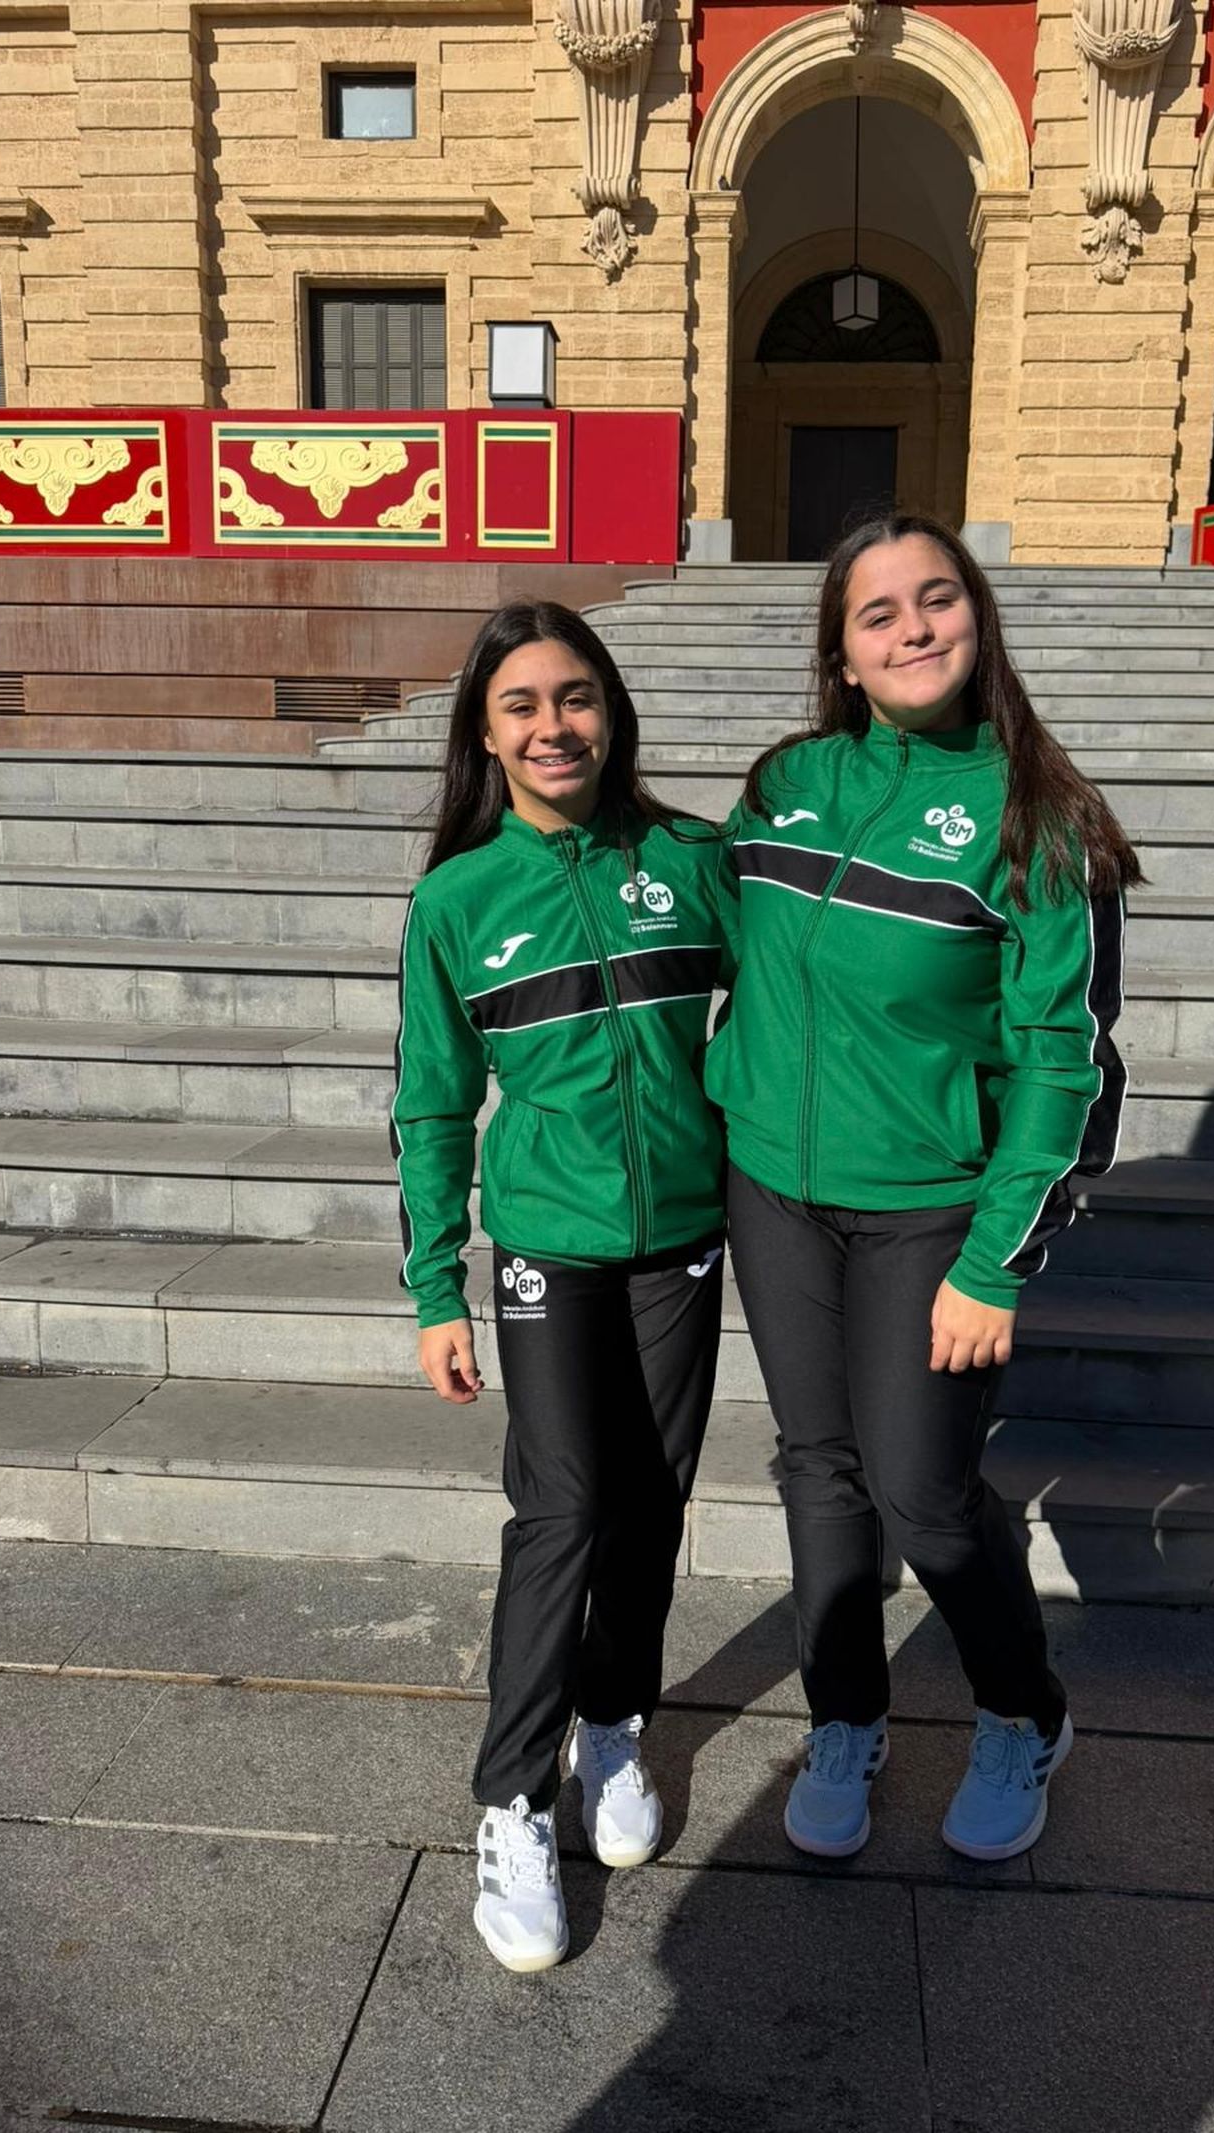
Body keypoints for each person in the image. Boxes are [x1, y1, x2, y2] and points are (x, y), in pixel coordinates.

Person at [708, 513, 1139, 1863]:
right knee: (818, 1468)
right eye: (878, 612)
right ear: (841, 652)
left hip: (930, 1208)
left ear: (977, 617)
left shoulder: (1037, 820)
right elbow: (714, 940)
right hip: (773, 1187)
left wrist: (995, 1260)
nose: (912, 629)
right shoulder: (787, 780)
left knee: (925, 1493)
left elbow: (1064, 1062)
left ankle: (1022, 1711)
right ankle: (847, 1714)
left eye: (936, 599)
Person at [392, 599, 734, 1973]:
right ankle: (514, 1798)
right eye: (522, 704)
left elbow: (804, 1002)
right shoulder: (458, 901)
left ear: (611, 711)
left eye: (576, 696)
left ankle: (613, 1725)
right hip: (546, 1242)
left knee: (652, 1499)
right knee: (564, 1506)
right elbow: (431, 1103)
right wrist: (435, 1285)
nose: (554, 726)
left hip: (685, 1236)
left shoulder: (692, 861)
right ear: (484, 734)